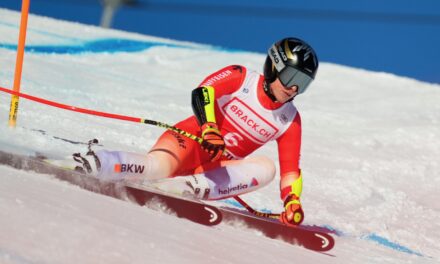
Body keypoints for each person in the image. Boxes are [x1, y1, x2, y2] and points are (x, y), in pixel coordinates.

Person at [67, 37, 319, 226]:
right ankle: (97, 163)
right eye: (290, 77)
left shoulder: (289, 120)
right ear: (273, 67)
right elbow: (203, 91)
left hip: (212, 172)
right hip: (188, 142)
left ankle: (192, 188)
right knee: (158, 167)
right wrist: (209, 127)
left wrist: (291, 201)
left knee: (267, 168)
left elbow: (290, 172)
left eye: (303, 83)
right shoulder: (242, 78)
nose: (294, 88)